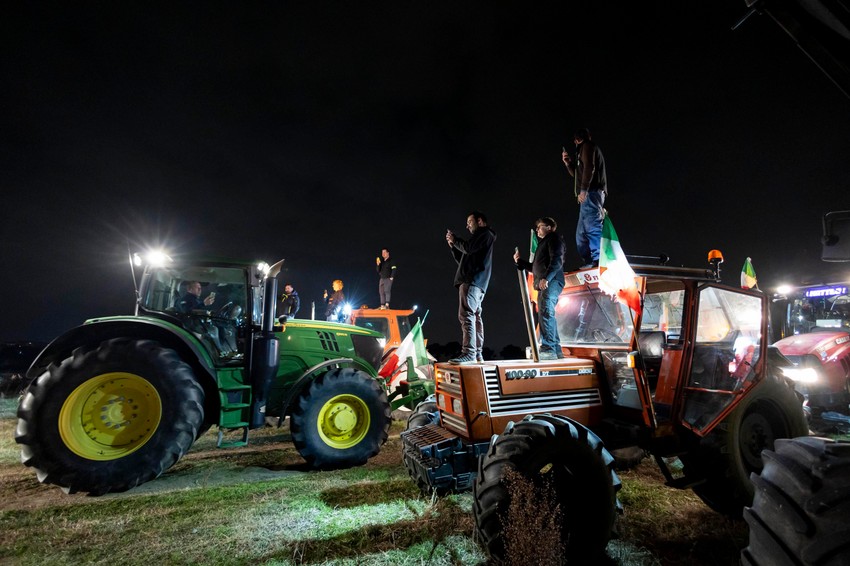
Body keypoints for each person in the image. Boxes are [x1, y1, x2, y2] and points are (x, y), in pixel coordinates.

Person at [446, 211, 497, 364]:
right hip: (476, 282)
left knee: (467, 315)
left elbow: (467, 248)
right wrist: (453, 246)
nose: (467, 225)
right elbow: (464, 259)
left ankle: (469, 352)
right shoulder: (480, 239)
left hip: (472, 281)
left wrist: (456, 240)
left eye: (470, 221)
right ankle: (477, 353)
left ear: (480, 221)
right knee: (475, 316)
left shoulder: (484, 234)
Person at [513, 217, 566, 360]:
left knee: (546, 313)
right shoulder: (544, 243)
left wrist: (546, 278)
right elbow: (535, 268)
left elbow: (557, 260)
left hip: (551, 282)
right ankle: (556, 349)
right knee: (546, 313)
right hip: (546, 282)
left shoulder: (553, 239)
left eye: (539, 227)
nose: (537, 230)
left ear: (549, 227)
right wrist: (520, 262)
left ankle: (549, 349)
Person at [562, 127, 608, 268]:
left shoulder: (588, 146)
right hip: (587, 197)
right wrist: (569, 163)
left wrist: (583, 190)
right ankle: (590, 261)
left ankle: (598, 260)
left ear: (576, 140)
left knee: (592, 227)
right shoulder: (583, 150)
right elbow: (578, 175)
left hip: (592, 193)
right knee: (581, 234)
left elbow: (589, 168)